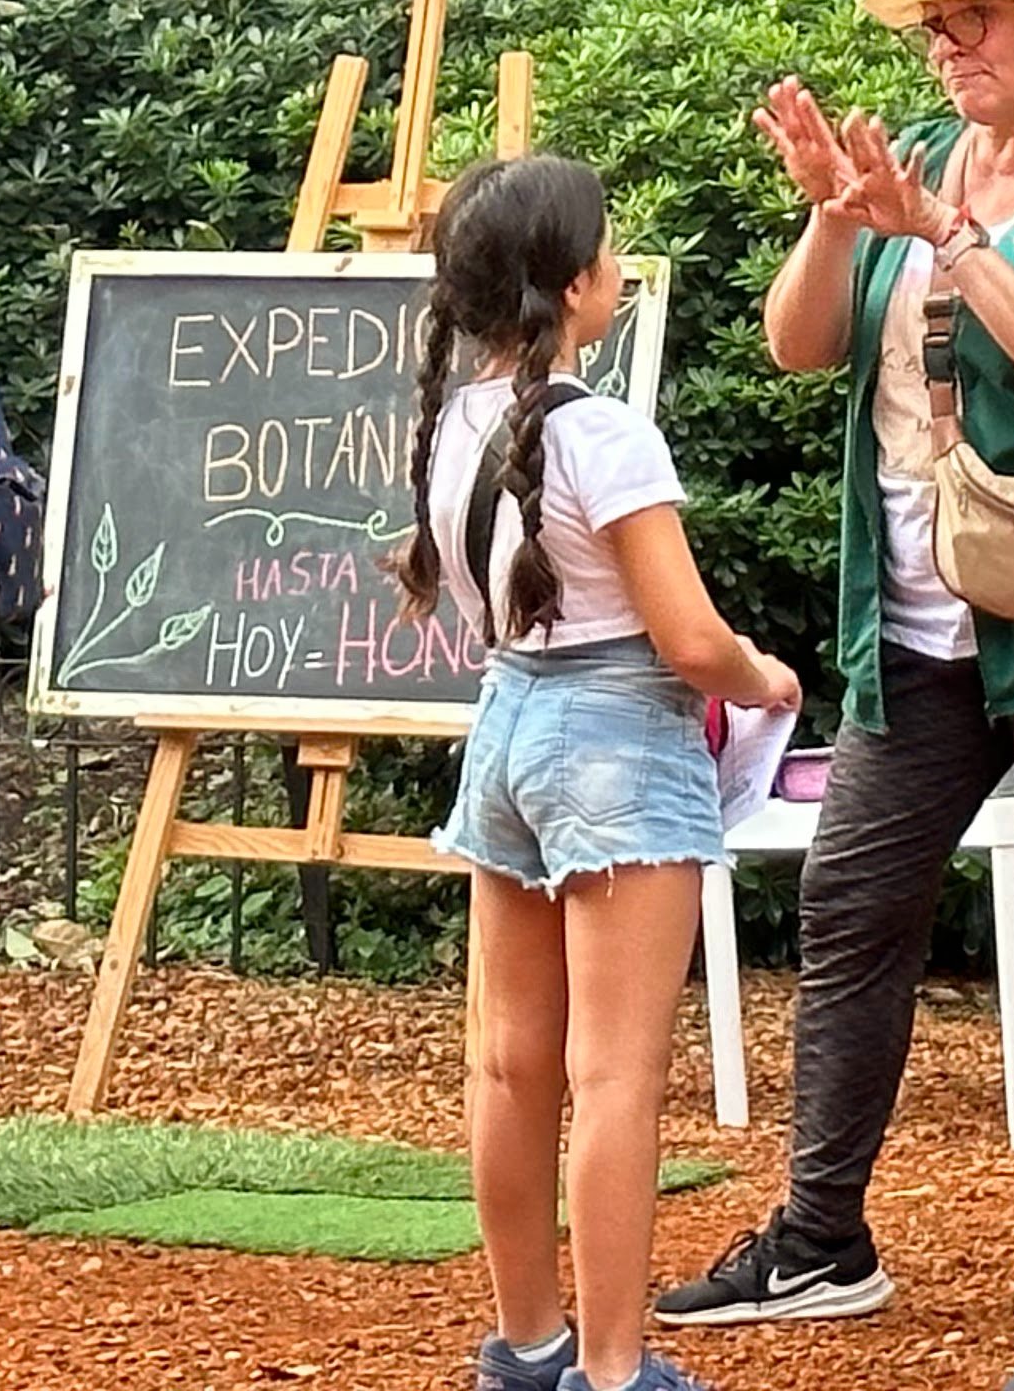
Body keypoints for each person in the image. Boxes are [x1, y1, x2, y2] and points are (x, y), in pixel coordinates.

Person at [656, 0, 1014, 1343]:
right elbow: (798, 343)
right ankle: (823, 1237)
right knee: (851, 908)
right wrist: (838, 218)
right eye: (937, 23)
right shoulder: (912, 166)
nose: (950, 45)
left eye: (978, 17)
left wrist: (947, 234)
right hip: (915, 622)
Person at [403, 152, 801, 1391]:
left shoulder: (452, 421)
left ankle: (528, 1345)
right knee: (617, 1074)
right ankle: (618, 1369)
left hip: (507, 724)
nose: (618, 264)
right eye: (608, 247)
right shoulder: (605, 431)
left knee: (510, 1062)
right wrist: (764, 677)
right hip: (620, 738)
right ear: (574, 284)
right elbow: (688, 639)